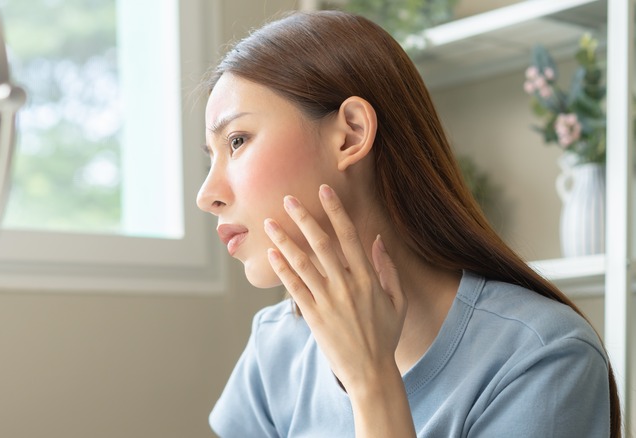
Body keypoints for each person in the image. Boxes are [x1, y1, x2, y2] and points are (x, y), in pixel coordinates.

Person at [196, 10, 620, 438]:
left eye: (237, 141)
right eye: (210, 155)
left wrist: (371, 382)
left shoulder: (541, 358)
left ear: (351, 134)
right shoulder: (277, 346)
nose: (206, 195)